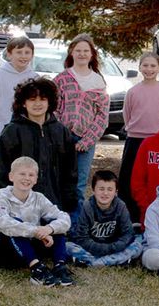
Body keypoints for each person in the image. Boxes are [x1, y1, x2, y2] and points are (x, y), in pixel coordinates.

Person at [0, 77, 79, 214]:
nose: (37, 104)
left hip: (53, 203)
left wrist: (69, 199)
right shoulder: (12, 131)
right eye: (32, 99)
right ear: (23, 103)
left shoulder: (61, 132)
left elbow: (70, 170)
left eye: (42, 99)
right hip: (20, 204)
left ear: (50, 102)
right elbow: (1, 167)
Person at [0, 157, 74, 286]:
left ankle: (60, 266)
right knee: (14, 225)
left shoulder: (39, 198)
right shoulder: (1, 200)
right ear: (11, 176)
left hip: (30, 248)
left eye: (31, 175)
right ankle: (36, 269)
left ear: (36, 179)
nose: (26, 178)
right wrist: (36, 231)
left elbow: (64, 218)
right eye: (22, 174)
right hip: (3, 254)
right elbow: (3, 224)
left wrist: (48, 229)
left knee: (55, 224)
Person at [54, 34, 110, 212]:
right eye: (78, 50)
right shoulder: (62, 79)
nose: (82, 54)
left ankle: (76, 223)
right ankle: (56, 221)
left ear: (92, 54)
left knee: (79, 183)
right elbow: (54, 110)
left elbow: (102, 116)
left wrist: (87, 141)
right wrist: (60, 136)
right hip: (63, 137)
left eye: (86, 51)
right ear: (71, 52)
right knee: (59, 179)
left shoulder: (98, 81)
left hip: (86, 139)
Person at [121, 52, 159, 221]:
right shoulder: (133, 91)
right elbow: (127, 114)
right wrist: (133, 130)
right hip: (135, 139)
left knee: (154, 178)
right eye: (145, 65)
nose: (149, 69)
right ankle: (130, 216)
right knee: (129, 178)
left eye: (153, 66)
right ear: (139, 68)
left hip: (157, 140)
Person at [66, 170, 144, 266]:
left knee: (138, 243)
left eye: (110, 189)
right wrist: (101, 249)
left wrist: (112, 248)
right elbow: (81, 237)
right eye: (101, 189)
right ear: (93, 189)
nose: (105, 193)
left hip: (114, 247)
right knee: (67, 246)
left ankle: (94, 262)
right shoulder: (87, 206)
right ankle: (113, 261)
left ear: (116, 192)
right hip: (91, 249)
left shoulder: (121, 206)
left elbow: (127, 234)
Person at [0, 36, 37, 162]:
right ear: (9, 54)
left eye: (27, 52)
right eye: (19, 52)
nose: (23, 56)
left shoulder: (35, 79)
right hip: (0, 136)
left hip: (26, 138)